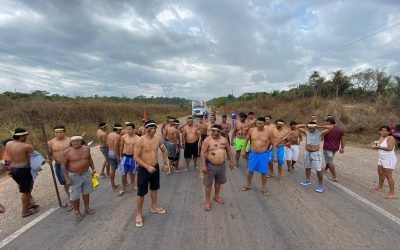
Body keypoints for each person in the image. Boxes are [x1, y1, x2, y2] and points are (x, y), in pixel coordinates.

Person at [134, 120, 169, 227]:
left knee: (154, 188)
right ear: (146, 129)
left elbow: (163, 150)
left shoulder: (158, 139)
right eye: (150, 128)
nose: (153, 130)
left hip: (155, 168)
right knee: (141, 193)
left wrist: (166, 163)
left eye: (154, 128)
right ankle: (139, 214)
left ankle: (154, 206)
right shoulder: (140, 140)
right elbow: (135, 157)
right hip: (144, 169)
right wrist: (147, 166)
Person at [5, 128, 39, 217]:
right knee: (26, 191)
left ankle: (30, 203)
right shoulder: (26, 146)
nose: (26, 138)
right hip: (23, 170)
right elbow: (35, 158)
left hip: (13, 169)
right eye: (25, 136)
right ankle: (25, 211)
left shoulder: (8, 144)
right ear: (21, 137)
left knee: (26, 188)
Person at [201, 125, 235, 211]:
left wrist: (231, 161)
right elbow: (203, 152)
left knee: (218, 182)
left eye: (216, 131)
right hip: (210, 165)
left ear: (220, 132)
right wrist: (203, 165)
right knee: (208, 184)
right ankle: (207, 201)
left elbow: (228, 150)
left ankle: (216, 196)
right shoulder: (207, 140)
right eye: (212, 131)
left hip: (221, 165)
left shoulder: (224, 140)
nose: (213, 133)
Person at [62, 136, 96, 221]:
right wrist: (66, 178)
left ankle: (87, 208)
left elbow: (90, 160)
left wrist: (93, 169)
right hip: (74, 176)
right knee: (75, 195)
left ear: (81, 141)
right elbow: (63, 165)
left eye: (77, 141)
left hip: (86, 174)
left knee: (86, 192)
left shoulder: (86, 149)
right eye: (73, 141)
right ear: (71, 142)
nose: (75, 143)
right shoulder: (67, 152)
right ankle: (77, 211)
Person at [296, 122, 332, 193]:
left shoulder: (320, 133)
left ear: (315, 127)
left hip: (316, 153)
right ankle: (307, 180)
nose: (310, 129)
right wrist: (306, 125)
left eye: (312, 127)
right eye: (309, 127)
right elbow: (297, 126)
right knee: (307, 167)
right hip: (307, 152)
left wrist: (319, 125)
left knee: (319, 170)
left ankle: (320, 185)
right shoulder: (306, 132)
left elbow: (331, 127)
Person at [241, 117, 274, 196]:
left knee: (264, 172)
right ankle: (248, 184)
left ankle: (264, 188)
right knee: (251, 170)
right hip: (253, 154)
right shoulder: (251, 130)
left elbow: (273, 143)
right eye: (258, 123)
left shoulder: (269, 132)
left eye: (261, 123)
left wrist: (274, 155)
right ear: (256, 123)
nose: (259, 125)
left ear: (264, 123)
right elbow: (246, 140)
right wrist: (243, 150)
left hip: (263, 154)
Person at [47, 125, 72, 210]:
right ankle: (70, 197)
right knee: (65, 182)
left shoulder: (70, 140)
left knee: (71, 181)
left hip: (70, 164)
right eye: (56, 132)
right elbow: (49, 154)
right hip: (59, 165)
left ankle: (72, 200)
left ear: (64, 132)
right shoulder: (50, 143)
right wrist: (49, 159)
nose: (58, 134)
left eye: (60, 132)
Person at [371, 126, 397, 199]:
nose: (382, 132)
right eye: (381, 130)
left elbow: (390, 148)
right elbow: (380, 148)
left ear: (388, 132)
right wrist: (375, 147)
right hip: (381, 158)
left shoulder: (390, 138)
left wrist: (379, 147)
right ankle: (380, 187)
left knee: (388, 176)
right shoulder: (381, 137)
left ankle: (392, 193)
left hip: (389, 159)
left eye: (384, 130)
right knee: (380, 172)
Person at [118, 123, 139, 196]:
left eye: (129, 129)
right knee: (123, 174)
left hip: (133, 158)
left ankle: (133, 185)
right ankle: (123, 188)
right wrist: (120, 156)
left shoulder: (138, 138)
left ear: (133, 129)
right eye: (127, 129)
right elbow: (121, 147)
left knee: (132, 173)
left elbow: (139, 150)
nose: (128, 131)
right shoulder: (124, 137)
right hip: (125, 157)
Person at [322, 117, 345, 181]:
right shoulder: (340, 129)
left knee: (329, 161)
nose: (324, 122)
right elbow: (342, 139)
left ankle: (334, 177)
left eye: (325, 121)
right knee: (330, 159)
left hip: (327, 147)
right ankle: (325, 169)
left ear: (329, 122)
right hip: (335, 148)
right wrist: (342, 148)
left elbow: (321, 137)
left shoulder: (327, 128)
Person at [107, 123, 123, 190]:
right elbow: (116, 146)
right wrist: (118, 157)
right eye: (121, 130)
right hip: (114, 153)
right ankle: (125, 182)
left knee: (112, 169)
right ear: (118, 129)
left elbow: (107, 143)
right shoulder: (117, 136)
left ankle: (113, 185)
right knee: (122, 168)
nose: (121, 131)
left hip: (110, 152)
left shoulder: (110, 134)